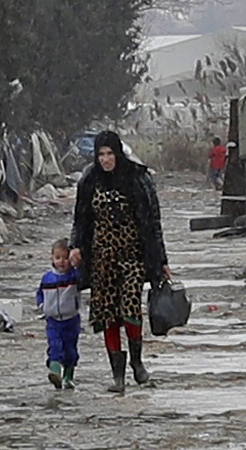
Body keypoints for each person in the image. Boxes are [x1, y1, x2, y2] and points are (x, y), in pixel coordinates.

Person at [72, 130, 171, 392]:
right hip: (101, 258)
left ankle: (137, 363)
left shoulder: (138, 179)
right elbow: (80, 220)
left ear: (118, 153)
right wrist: (76, 247)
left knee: (130, 307)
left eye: (109, 153)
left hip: (132, 256)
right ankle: (117, 376)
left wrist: (160, 260)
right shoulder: (89, 181)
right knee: (107, 315)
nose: (105, 159)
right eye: (101, 154)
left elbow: (152, 222)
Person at [37, 239, 83, 392]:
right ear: (52, 258)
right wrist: (42, 306)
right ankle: (55, 372)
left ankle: (68, 377)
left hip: (71, 320)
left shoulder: (74, 277)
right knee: (54, 346)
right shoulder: (47, 278)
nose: (61, 262)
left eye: (65, 258)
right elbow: (40, 293)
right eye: (58, 258)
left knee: (70, 350)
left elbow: (85, 277)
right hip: (53, 320)